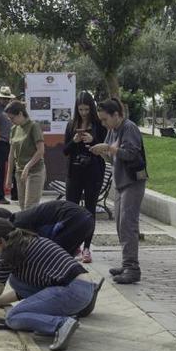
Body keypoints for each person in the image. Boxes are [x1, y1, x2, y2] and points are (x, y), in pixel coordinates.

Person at [0, 219, 101, 351]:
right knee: (15, 281)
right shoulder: (27, 240)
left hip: (73, 291)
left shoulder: (9, 253)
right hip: (83, 288)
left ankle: (61, 323)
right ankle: (58, 320)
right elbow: (22, 291)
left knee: (13, 318)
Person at [90, 99, 148, 284]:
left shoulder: (129, 128)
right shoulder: (112, 130)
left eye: (105, 119)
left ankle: (132, 267)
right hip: (121, 183)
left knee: (128, 225)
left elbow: (131, 153)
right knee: (120, 225)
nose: (103, 123)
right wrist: (102, 151)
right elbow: (113, 155)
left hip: (132, 182)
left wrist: (108, 149)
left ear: (117, 115)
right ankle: (126, 263)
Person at [63, 92, 107, 262]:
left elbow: (105, 148)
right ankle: (73, 245)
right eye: (80, 109)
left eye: (86, 109)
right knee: (70, 209)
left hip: (93, 171)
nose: (83, 113)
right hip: (74, 172)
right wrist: (74, 140)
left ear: (92, 108)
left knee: (90, 209)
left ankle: (87, 248)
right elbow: (65, 151)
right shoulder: (71, 124)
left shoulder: (99, 125)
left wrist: (93, 139)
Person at [0, 200, 94, 258]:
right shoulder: (21, 218)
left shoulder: (18, 224)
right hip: (87, 220)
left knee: (55, 256)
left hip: (75, 219)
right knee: (63, 259)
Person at [6, 101, 45, 210]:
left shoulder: (34, 126)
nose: (11, 121)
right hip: (19, 172)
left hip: (35, 171)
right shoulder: (14, 129)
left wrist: (28, 166)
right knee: (23, 206)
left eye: (12, 118)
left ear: (20, 114)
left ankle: (31, 227)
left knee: (30, 206)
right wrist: (9, 176)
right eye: (9, 119)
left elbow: (41, 151)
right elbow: (11, 154)